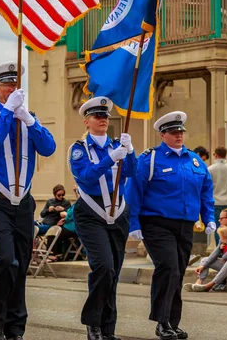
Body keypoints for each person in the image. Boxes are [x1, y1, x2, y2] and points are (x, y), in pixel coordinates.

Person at [0, 62, 56, 340]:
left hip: (22, 203)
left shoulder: (28, 118)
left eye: (14, 84)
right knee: (6, 260)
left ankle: (15, 328)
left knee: (21, 264)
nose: (11, 88)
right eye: (6, 85)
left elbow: (49, 147)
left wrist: (29, 120)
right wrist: (9, 111)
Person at [126, 111, 215, 340]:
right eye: (174, 132)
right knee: (168, 268)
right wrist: (133, 222)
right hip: (156, 223)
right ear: (163, 135)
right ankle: (162, 321)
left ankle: (172, 322)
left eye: (181, 132)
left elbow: (205, 191)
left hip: (185, 225)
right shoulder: (150, 159)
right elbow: (134, 191)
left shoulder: (194, 160)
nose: (179, 135)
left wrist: (209, 217)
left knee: (177, 273)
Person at [69, 96, 136, 340]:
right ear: (86, 122)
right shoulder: (79, 149)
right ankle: (93, 324)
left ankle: (108, 328)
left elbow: (131, 173)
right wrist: (112, 157)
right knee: (104, 267)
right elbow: (86, 176)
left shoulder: (117, 144)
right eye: (97, 116)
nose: (103, 120)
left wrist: (129, 153)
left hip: (118, 212)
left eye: (105, 116)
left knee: (114, 272)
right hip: (91, 212)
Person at [185, 208, 227, 293]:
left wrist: (225, 257)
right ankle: (198, 283)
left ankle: (209, 285)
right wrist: (204, 266)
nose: (219, 220)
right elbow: (217, 250)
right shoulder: (223, 229)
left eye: (221, 218)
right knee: (205, 260)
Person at [208, 146, 227, 245]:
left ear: (216, 155)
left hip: (215, 202)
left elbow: (207, 188)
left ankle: (220, 249)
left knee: (218, 228)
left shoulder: (210, 169)